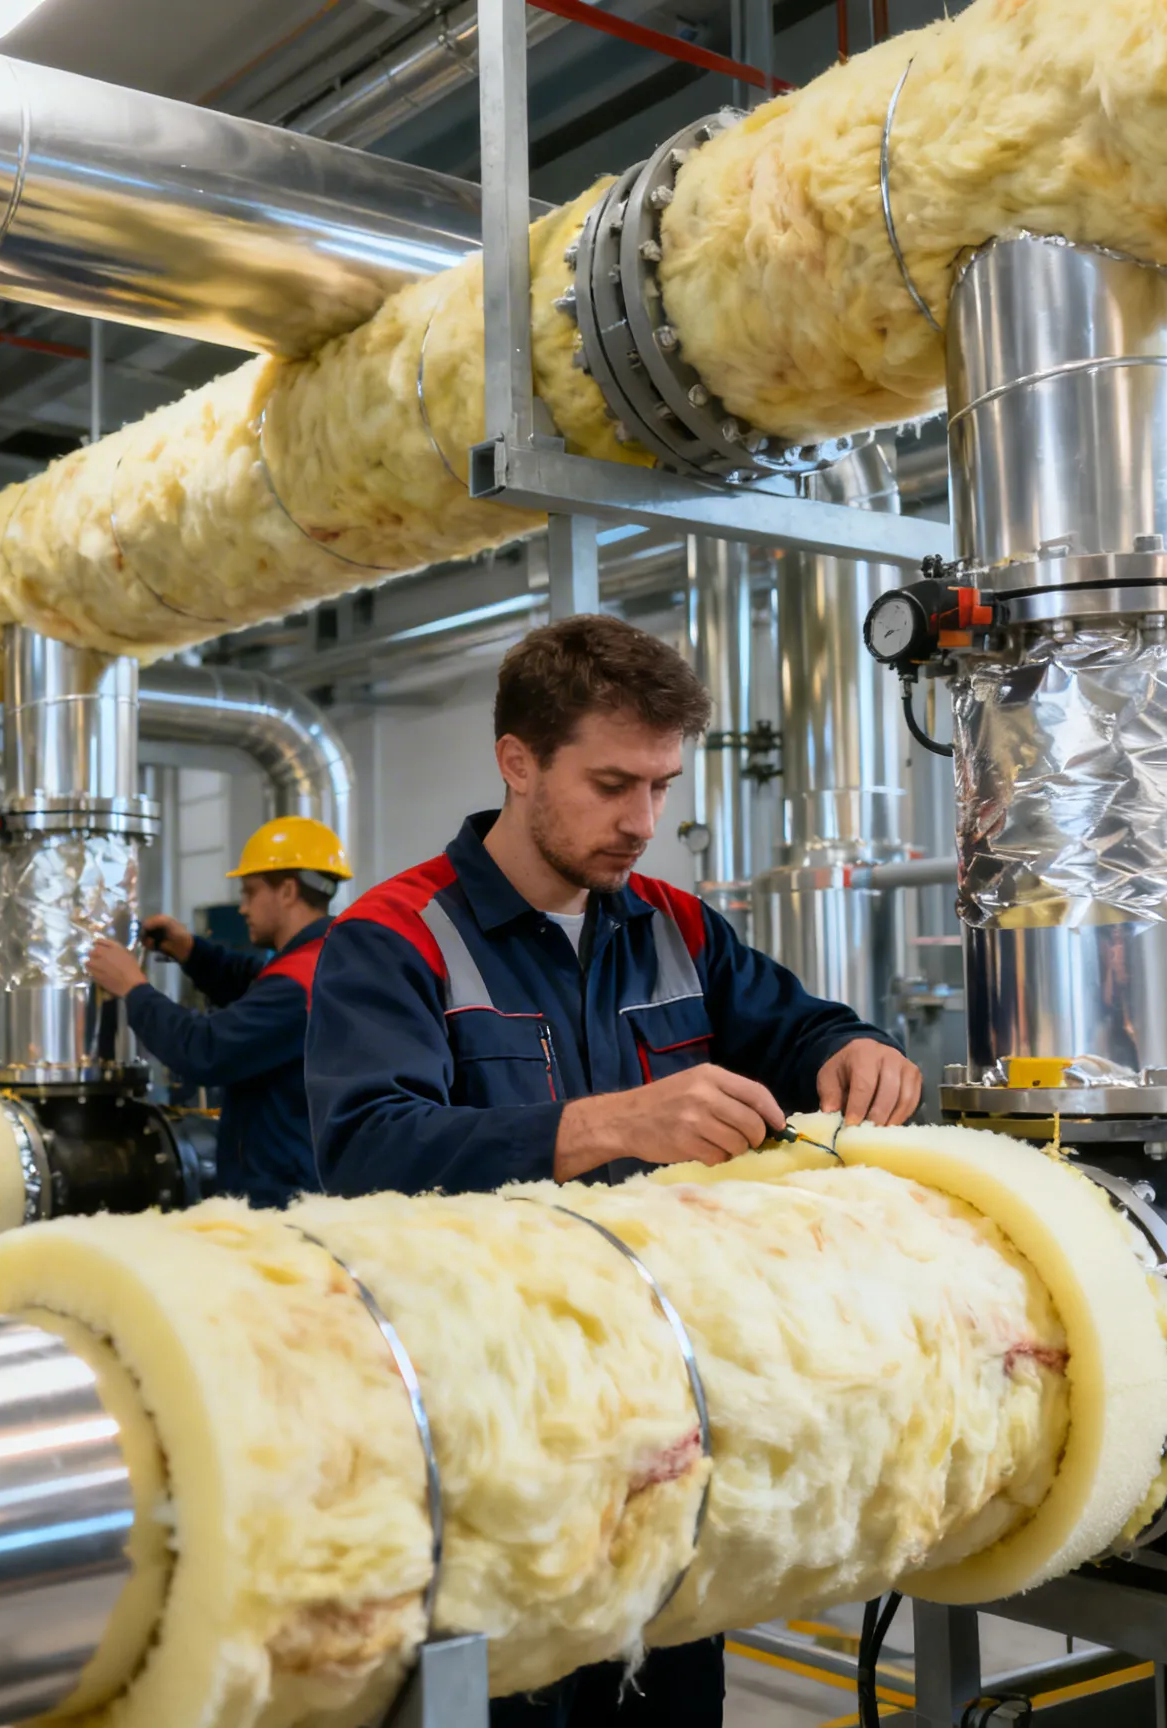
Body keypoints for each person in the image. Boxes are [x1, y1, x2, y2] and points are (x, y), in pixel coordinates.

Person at [306, 613, 922, 1728]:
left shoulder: (677, 927)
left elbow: (799, 1028)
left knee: (670, 1701)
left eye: (661, 786)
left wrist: (856, 1046)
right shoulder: (393, 938)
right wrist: (602, 1124)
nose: (642, 821)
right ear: (517, 762)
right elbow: (367, 1150)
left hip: (672, 1421)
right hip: (494, 1433)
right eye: (610, 785)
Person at [85, 815, 351, 1207]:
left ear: (288, 891)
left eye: (250, 892)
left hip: (284, 1200)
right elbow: (251, 979)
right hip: (303, 1180)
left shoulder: (297, 984)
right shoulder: (323, 958)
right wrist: (191, 950)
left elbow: (204, 1050)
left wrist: (133, 988)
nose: (242, 907)